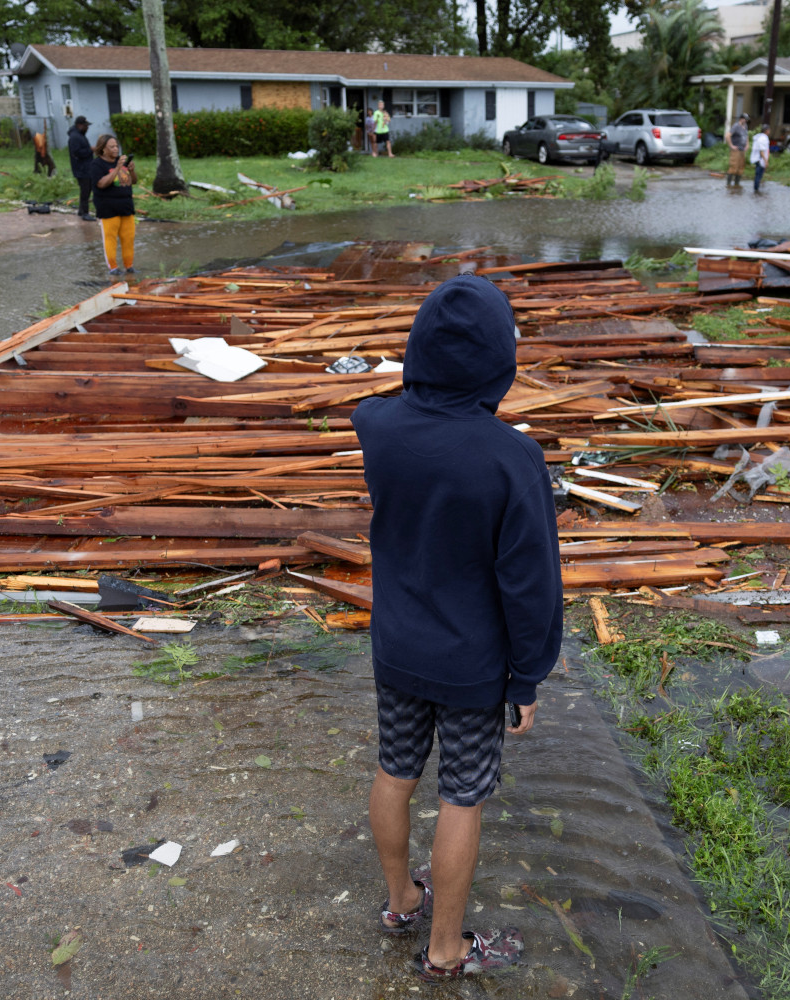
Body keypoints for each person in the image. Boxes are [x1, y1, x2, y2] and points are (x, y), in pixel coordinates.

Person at [352, 273, 562, 982]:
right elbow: (529, 584)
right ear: (500, 365)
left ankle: (400, 900)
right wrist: (528, 675)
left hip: (397, 647)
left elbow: (370, 405)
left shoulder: (377, 426)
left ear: (418, 352)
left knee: (395, 770)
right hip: (472, 664)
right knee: (460, 796)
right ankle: (444, 950)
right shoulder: (513, 460)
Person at [88, 134, 137, 275]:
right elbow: (102, 184)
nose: (116, 149)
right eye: (112, 146)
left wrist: (132, 170)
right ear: (103, 149)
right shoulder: (96, 165)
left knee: (128, 238)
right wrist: (117, 168)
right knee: (110, 239)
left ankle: (129, 267)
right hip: (108, 208)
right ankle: (114, 268)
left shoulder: (122, 162)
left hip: (126, 206)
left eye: (116, 146)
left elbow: (132, 181)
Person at [67, 116, 94, 220]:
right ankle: (85, 214)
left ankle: (81, 211)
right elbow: (77, 153)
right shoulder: (75, 137)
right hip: (81, 169)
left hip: (86, 168)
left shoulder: (80, 135)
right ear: (80, 125)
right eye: (86, 126)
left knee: (86, 189)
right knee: (85, 190)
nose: (87, 128)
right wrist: (90, 150)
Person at [725, 112, 749, 188]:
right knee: (733, 167)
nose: (746, 121)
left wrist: (747, 145)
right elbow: (727, 136)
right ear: (741, 119)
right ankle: (728, 184)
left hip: (742, 150)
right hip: (736, 150)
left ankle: (736, 184)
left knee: (741, 167)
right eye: (745, 119)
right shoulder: (736, 126)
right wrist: (731, 145)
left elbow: (746, 136)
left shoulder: (745, 126)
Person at [750, 123, 771, 194]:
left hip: (757, 159)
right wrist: (765, 161)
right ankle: (756, 190)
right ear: (766, 130)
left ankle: (756, 190)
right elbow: (761, 151)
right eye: (769, 130)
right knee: (758, 175)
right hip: (760, 159)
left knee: (758, 175)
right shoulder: (763, 138)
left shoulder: (759, 137)